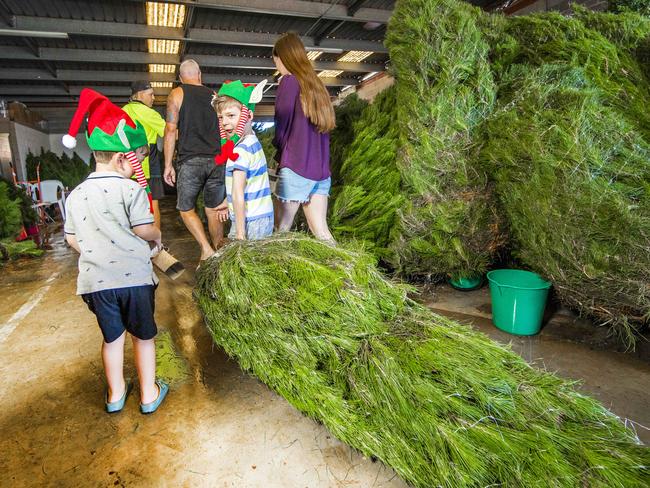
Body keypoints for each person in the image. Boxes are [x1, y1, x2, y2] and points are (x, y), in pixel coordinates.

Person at [61, 88, 169, 415]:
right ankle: (149, 394)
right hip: (134, 280)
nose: (137, 166)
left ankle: (116, 394)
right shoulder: (131, 189)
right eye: (136, 158)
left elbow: (71, 239)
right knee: (143, 337)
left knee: (112, 340)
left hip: (97, 285)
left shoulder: (76, 194)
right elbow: (142, 230)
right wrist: (157, 235)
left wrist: (94, 250)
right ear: (122, 158)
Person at [272, 32, 336, 242]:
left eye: (276, 61)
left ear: (282, 57)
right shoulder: (317, 86)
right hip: (321, 172)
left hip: (296, 168)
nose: (277, 66)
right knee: (322, 233)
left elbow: (282, 124)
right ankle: (349, 273)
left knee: (280, 231)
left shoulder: (289, 81)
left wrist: (279, 153)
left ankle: (275, 275)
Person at [163, 59, 227, 261]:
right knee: (214, 208)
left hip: (190, 161)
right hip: (217, 161)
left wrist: (168, 165)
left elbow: (171, 129)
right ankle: (219, 252)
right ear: (199, 75)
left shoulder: (177, 93)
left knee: (186, 208)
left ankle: (206, 249)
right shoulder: (215, 96)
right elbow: (224, 128)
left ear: (181, 78)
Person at [212, 80, 273, 240]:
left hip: (248, 222)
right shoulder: (252, 141)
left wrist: (240, 234)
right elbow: (247, 184)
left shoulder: (239, 150)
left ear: (249, 115)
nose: (225, 122)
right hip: (262, 216)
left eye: (231, 115)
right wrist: (227, 201)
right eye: (221, 117)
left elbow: (238, 191)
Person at [123, 80, 166, 229]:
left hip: (125, 166)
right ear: (140, 95)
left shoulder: (122, 111)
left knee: (129, 206)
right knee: (152, 203)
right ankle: (156, 245)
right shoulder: (148, 112)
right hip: (147, 165)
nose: (154, 98)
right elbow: (170, 133)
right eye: (151, 94)